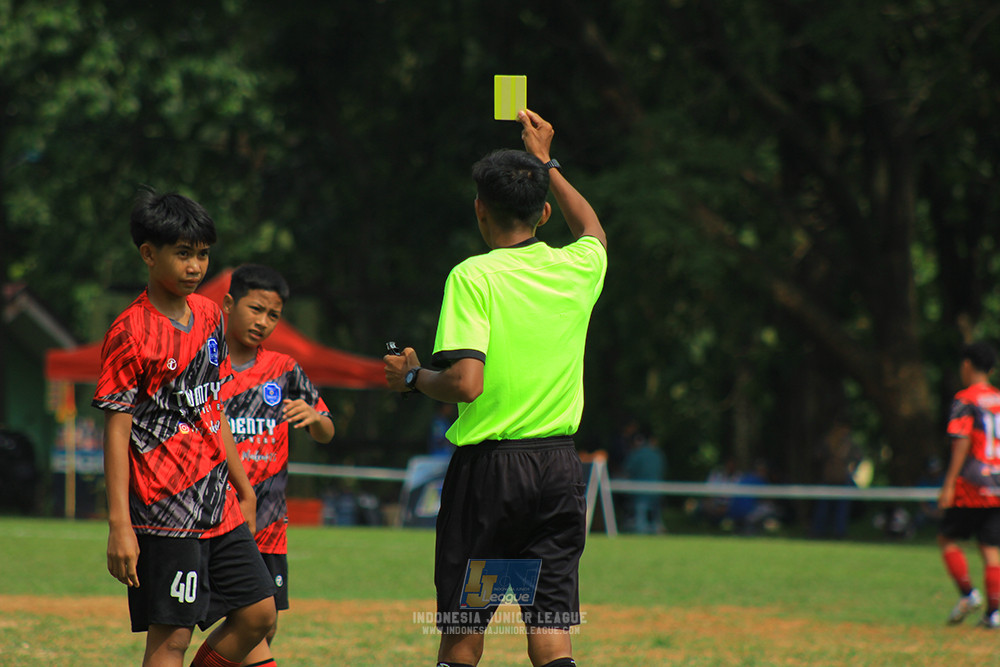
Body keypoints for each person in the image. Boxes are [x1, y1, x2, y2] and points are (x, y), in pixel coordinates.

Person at [384, 109, 607, 667]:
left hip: (492, 480)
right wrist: (547, 161)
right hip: (557, 474)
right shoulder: (576, 270)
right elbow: (593, 230)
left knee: (464, 629)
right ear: (545, 212)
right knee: (551, 628)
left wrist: (413, 378)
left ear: (480, 209)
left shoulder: (473, 276)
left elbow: (466, 383)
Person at [93, 189, 276, 667]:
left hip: (219, 504)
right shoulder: (130, 332)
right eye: (183, 254)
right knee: (170, 639)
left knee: (259, 614)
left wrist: (244, 487)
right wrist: (119, 525)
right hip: (163, 510)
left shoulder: (213, 316)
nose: (195, 266)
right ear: (149, 254)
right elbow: (116, 429)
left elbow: (210, 408)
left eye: (202, 254)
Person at [220, 264, 336, 666]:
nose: (263, 322)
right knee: (248, 623)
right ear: (229, 303)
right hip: (219, 518)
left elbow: (327, 430)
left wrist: (315, 418)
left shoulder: (284, 369)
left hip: (270, 524)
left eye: (273, 316)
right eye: (255, 310)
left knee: (265, 627)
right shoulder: (206, 366)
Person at [938, 341, 1000, 628]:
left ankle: (967, 594)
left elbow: (961, 443)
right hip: (998, 483)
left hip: (973, 482)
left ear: (966, 365)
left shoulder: (965, 399)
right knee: (990, 549)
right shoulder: (998, 399)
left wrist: (949, 483)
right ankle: (994, 613)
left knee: (946, 538)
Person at [810, 416, 861, 539]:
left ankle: (838, 532)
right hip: (829, 478)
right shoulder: (828, 441)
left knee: (840, 508)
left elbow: (858, 457)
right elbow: (817, 455)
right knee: (823, 507)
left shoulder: (848, 443)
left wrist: (852, 469)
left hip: (841, 478)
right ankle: (819, 531)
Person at [622, 432, 666, 534]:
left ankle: (641, 529)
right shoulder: (658, 454)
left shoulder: (636, 454)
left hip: (640, 493)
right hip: (657, 491)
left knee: (640, 513)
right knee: (655, 513)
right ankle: (657, 527)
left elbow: (627, 471)